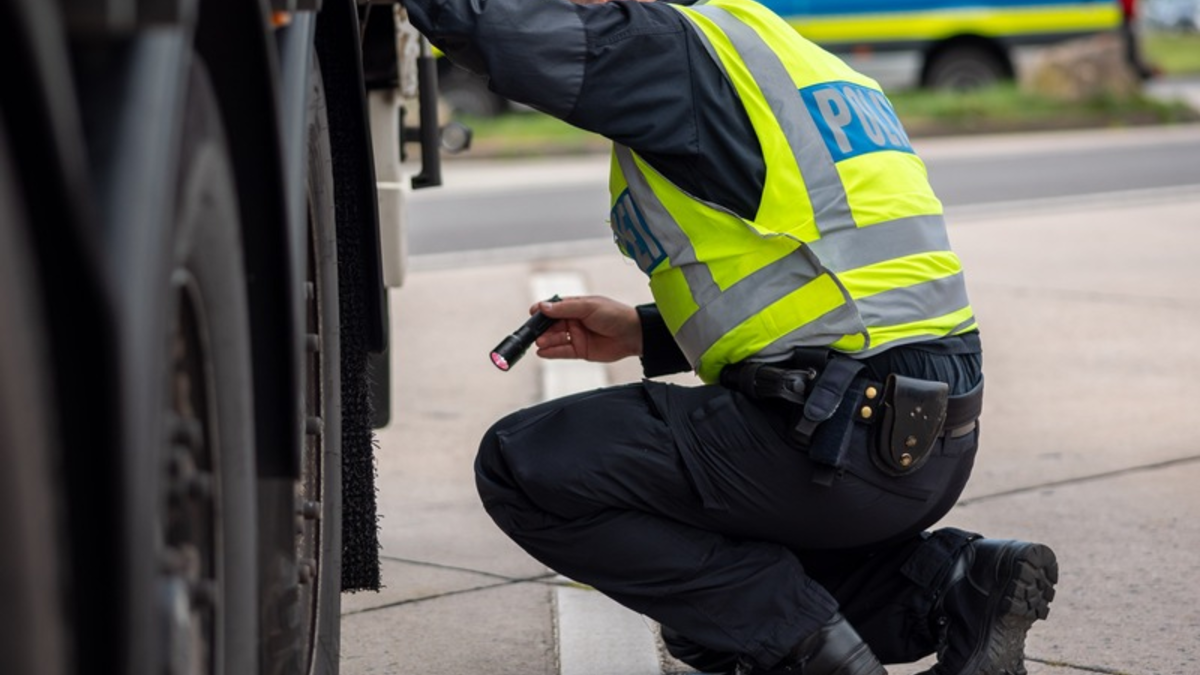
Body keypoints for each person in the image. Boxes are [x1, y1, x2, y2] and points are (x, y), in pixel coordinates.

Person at [402, 0, 1059, 672]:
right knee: (709, 628)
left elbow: (503, 34)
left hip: (834, 442)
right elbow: (848, 283)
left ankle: (813, 653)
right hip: (930, 440)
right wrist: (641, 332)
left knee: (522, 465)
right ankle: (957, 582)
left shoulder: (671, 49)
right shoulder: (791, 58)